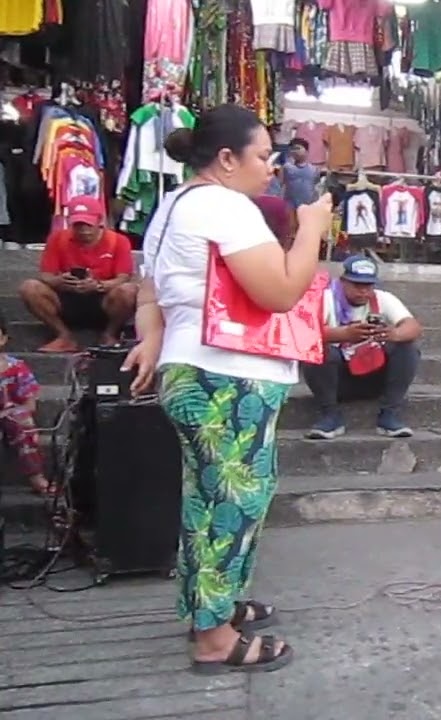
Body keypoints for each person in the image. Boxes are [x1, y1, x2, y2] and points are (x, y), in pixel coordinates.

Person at [121, 103, 333, 673]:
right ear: (225, 158)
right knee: (233, 503)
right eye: (262, 156)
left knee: (208, 501)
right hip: (228, 376)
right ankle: (214, 639)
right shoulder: (224, 207)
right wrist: (311, 230)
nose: (270, 168)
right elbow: (282, 292)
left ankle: (211, 611)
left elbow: (149, 293)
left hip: (194, 371)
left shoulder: (173, 206)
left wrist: (153, 339)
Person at [302, 255, 423, 440]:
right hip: (336, 380)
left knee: (407, 347)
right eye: (357, 285)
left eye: (368, 286)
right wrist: (344, 334)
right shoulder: (325, 299)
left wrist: (393, 334)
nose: (363, 291)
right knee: (317, 349)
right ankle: (330, 415)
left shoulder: (383, 299)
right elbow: (305, 333)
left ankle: (389, 415)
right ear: (343, 282)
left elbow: (413, 326)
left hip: (373, 374)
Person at [18, 196, 138, 351]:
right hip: (67, 298)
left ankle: (110, 334)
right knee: (29, 287)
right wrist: (60, 281)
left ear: (99, 221)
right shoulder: (58, 239)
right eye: (78, 225)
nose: (83, 230)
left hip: (103, 300)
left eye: (88, 225)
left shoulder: (118, 241)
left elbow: (124, 277)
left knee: (128, 291)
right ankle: (63, 336)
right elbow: (46, 275)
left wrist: (99, 285)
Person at [0, 313, 49, 495]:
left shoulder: (17, 368)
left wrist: (9, 413)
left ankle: (36, 475)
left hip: (10, 413)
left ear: (3, 338)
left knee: (23, 422)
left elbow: (30, 405)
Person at [280, 137, 319, 211]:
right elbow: (280, 186)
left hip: (308, 207)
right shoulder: (286, 167)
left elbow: (315, 188)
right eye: (293, 149)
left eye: (298, 148)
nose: (295, 151)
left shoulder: (314, 169)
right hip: (290, 206)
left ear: (306, 151)